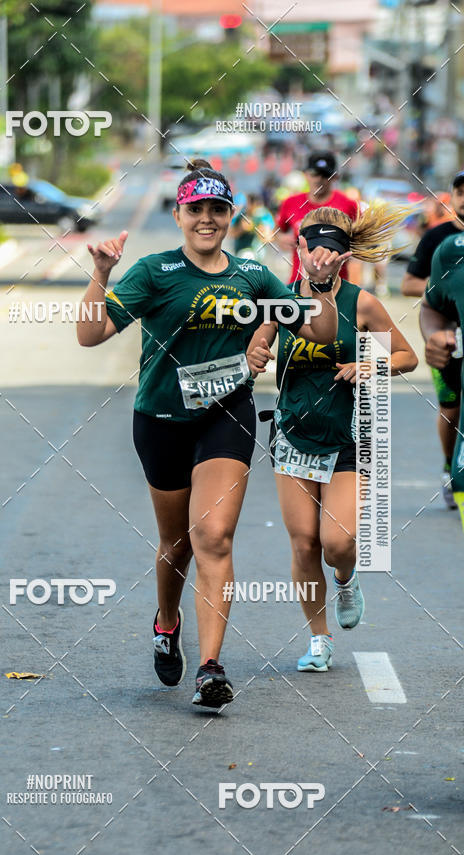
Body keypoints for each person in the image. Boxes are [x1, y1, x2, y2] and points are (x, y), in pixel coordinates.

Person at [77, 158, 349, 708]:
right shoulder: (154, 273)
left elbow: (319, 328)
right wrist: (102, 274)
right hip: (159, 422)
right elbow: (91, 333)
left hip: (226, 417)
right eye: (196, 209)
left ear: (231, 216)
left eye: (217, 210)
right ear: (179, 215)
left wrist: (318, 284)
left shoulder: (252, 277)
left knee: (215, 537)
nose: (207, 219)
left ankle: (210, 666)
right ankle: (168, 619)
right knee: (176, 544)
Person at [247, 204, 417, 672]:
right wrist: (257, 351)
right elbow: (258, 342)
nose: (319, 255)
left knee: (337, 543)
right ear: (298, 247)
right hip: (294, 434)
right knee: (303, 544)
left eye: (330, 249)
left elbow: (407, 356)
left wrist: (371, 364)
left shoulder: (361, 302)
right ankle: (318, 639)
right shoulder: (283, 298)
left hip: (345, 438)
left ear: (344, 257)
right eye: (311, 245)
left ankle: (346, 578)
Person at [401, 171, 464, 508]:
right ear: (452, 197)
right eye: (460, 192)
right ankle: (448, 468)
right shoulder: (438, 240)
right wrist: (444, 286)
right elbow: (410, 284)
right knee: (451, 409)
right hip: (448, 338)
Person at [420, 232, 464, 527]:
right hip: (456, 354)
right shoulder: (449, 249)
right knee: (450, 406)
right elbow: (430, 304)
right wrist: (434, 335)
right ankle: (450, 467)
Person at [276, 151, 359, 284]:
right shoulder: (290, 203)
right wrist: (281, 239)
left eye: (325, 175)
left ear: (335, 177)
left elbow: (360, 246)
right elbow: (278, 231)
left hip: (336, 288)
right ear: (305, 175)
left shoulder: (349, 205)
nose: (319, 179)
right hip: (299, 285)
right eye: (314, 174)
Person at [230, 192, 275, 263]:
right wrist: (241, 228)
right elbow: (231, 233)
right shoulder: (242, 215)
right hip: (241, 252)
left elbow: (269, 237)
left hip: (257, 255)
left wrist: (260, 231)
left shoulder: (263, 215)